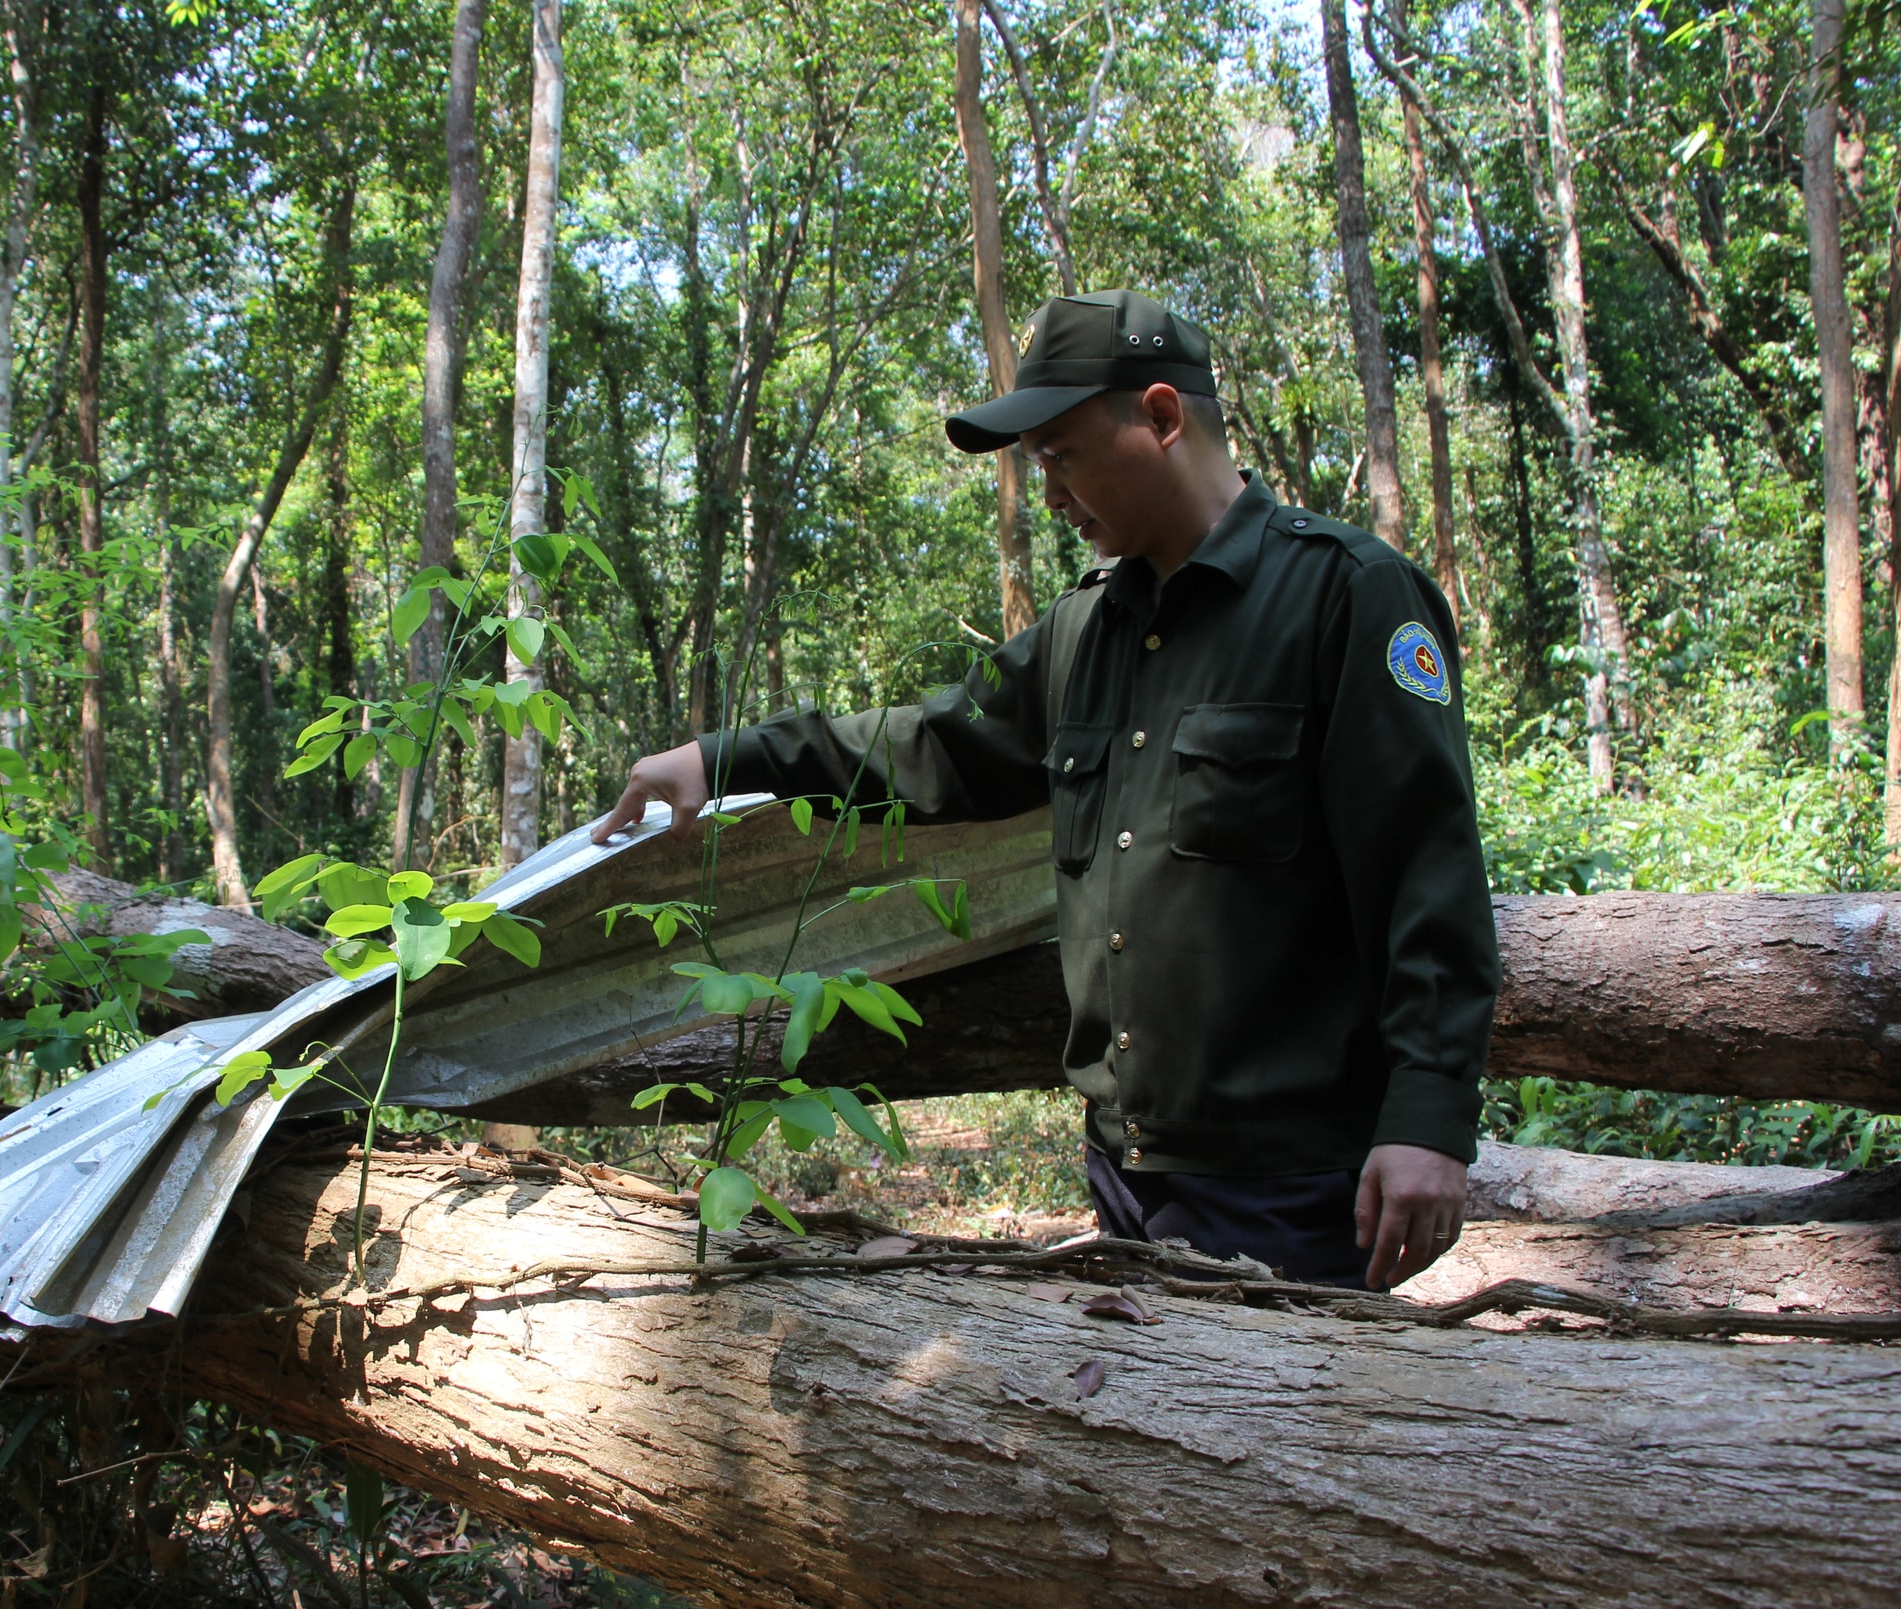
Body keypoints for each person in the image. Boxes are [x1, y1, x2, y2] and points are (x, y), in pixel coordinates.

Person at [594, 288, 1499, 1291]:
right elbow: (925, 744)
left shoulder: (1344, 594)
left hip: (1289, 1181)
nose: (1050, 490)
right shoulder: (1086, 632)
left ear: (1160, 418)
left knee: (1282, 1444)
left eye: (1061, 451)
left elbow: (1428, 873)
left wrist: (1427, 1116)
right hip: (1123, 1169)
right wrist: (721, 759)